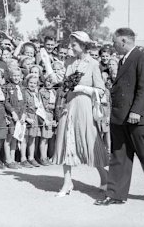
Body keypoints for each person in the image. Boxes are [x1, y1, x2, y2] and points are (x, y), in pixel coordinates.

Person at [95, 28, 144, 206]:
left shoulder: (142, 58)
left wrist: (136, 111)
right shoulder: (124, 59)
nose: (113, 46)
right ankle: (115, 193)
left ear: (123, 41)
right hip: (120, 117)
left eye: (115, 42)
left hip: (136, 117)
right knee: (119, 155)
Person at [52, 31, 108, 197]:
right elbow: (63, 83)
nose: (71, 47)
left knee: (90, 140)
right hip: (68, 105)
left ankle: (105, 178)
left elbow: (101, 90)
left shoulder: (93, 64)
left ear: (83, 45)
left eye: (74, 45)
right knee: (65, 139)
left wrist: (82, 88)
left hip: (84, 106)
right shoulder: (68, 62)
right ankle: (67, 182)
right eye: (70, 44)